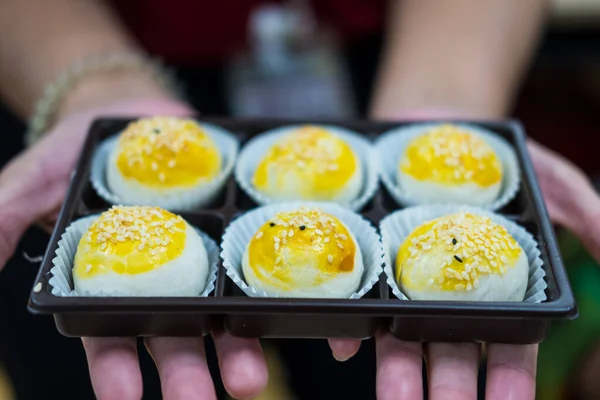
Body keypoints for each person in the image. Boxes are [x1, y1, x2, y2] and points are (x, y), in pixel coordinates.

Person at [0, 0, 599, 399]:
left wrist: (448, 96)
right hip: (99, 51)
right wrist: (96, 88)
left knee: (362, 380)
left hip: (383, 53)